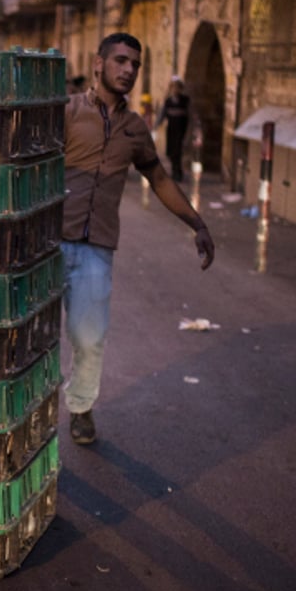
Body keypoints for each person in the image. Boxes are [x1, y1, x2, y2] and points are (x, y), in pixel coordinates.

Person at [61, 32, 215, 445]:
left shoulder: (134, 129)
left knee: (90, 338)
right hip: (47, 244)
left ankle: (81, 408)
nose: (128, 70)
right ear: (99, 64)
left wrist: (198, 224)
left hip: (96, 248)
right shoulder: (66, 112)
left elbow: (160, 178)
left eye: (135, 64)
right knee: (31, 339)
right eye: (121, 61)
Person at [155, 76, 192, 182]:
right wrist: (156, 126)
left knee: (178, 151)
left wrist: (192, 130)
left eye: (177, 87)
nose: (175, 90)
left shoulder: (185, 101)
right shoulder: (168, 102)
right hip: (171, 131)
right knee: (171, 152)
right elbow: (162, 115)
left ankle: (178, 172)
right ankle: (174, 170)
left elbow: (191, 115)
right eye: (173, 87)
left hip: (181, 130)